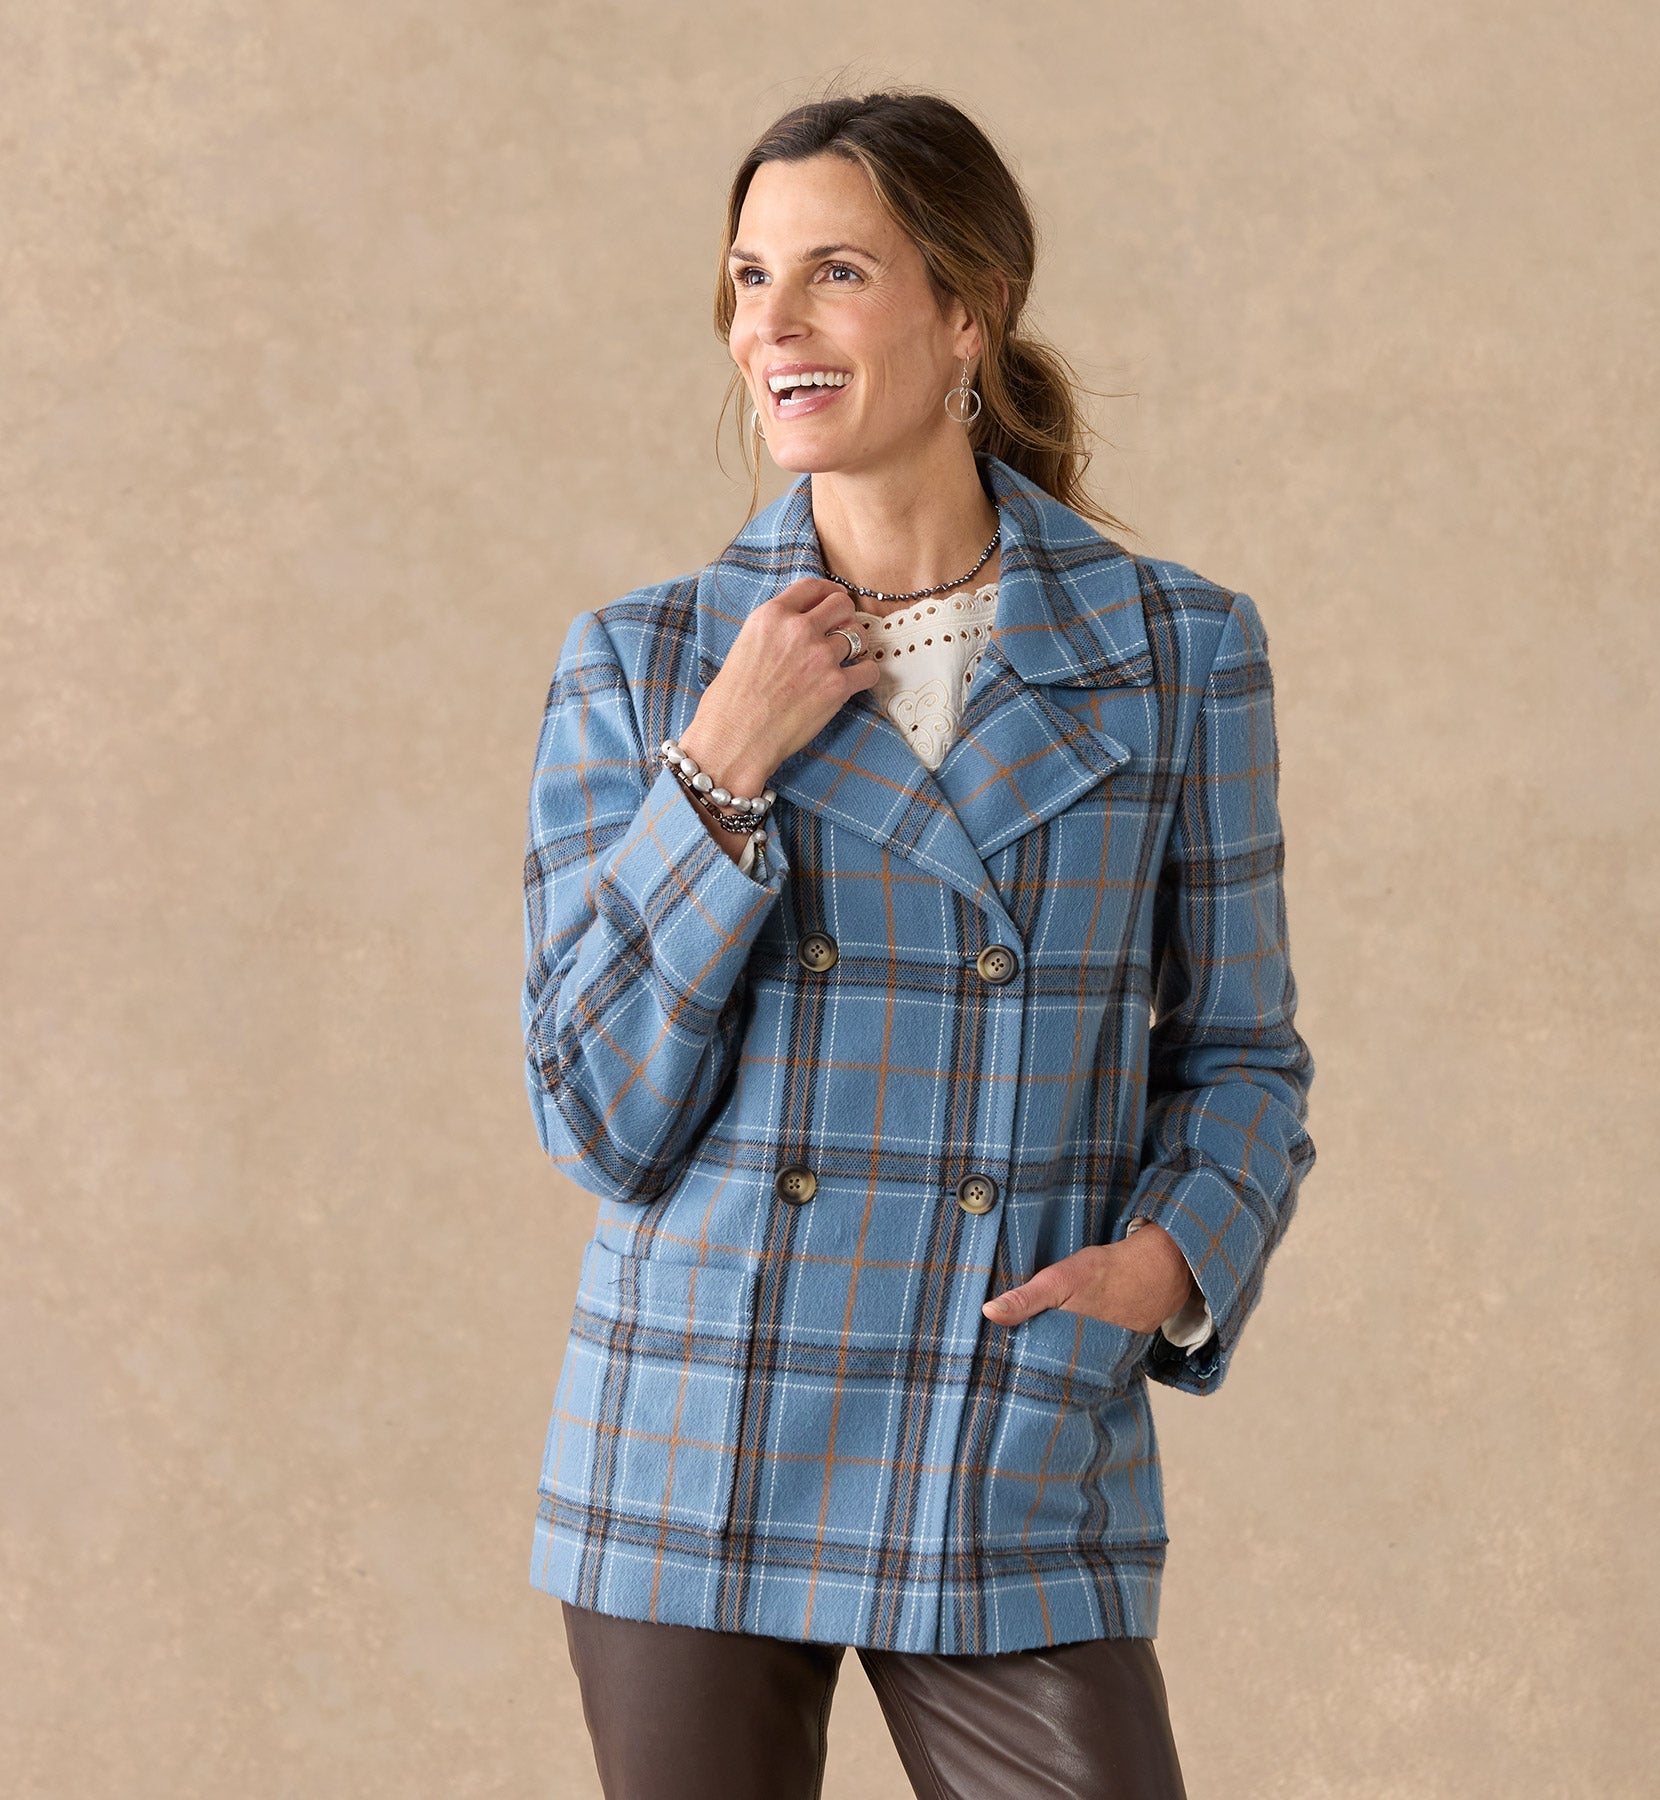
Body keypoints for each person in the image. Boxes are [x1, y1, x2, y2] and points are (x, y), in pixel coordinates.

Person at [519, 87, 1317, 1800]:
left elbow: (1244, 1053)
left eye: (836, 273)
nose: (773, 327)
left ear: (969, 312)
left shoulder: (1178, 651)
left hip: (1004, 1416)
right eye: (751, 279)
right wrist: (719, 767)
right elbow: (591, 1115)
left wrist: (1167, 1264)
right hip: (700, 1426)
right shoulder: (648, 663)